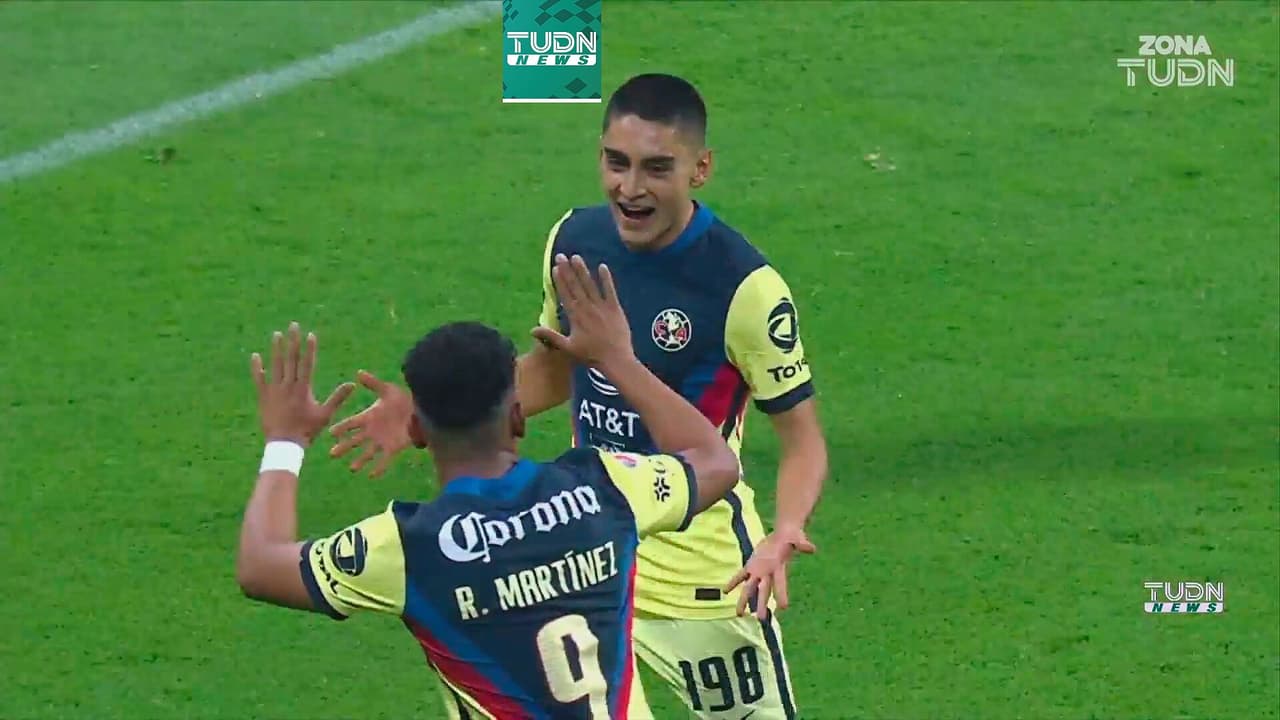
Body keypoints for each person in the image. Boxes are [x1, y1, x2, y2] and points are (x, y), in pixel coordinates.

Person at [330, 73, 829, 720]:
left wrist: (785, 530)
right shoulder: (574, 242)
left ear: (700, 169)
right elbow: (554, 371)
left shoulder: (744, 288)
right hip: (590, 557)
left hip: (705, 582)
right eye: (616, 163)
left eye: (656, 168)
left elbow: (802, 438)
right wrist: (436, 414)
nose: (630, 187)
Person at [236, 255, 742, 719]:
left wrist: (286, 440)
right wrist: (617, 359)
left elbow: (259, 565)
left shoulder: (409, 547)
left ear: (416, 431)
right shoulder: (608, 488)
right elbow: (715, 461)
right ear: (518, 417)